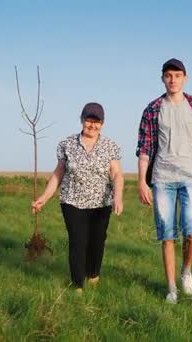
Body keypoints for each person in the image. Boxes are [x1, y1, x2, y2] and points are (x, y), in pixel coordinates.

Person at [136, 58, 192, 303]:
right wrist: (142, 182)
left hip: (191, 176)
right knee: (167, 235)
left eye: (177, 75)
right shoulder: (153, 109)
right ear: (162, 79)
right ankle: (171, 289)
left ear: (185, 78)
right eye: (168, 75)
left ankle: (186, 272)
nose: (173, 79)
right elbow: (144, 148)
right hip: (163, 178)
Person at [32, 102, 124, 294]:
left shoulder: (110, 146)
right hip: (72, 201)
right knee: (77, 241)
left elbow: (116, 174)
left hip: (101, 203)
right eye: (89, 120)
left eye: (96, 121)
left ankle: (93, 273)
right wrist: (44, 197)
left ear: (103, 123)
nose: (92, 125)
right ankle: (77, 285)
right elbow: (58, 173)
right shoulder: (67, 144)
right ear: (82, 120)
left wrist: (118, 196)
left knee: (97, 242)